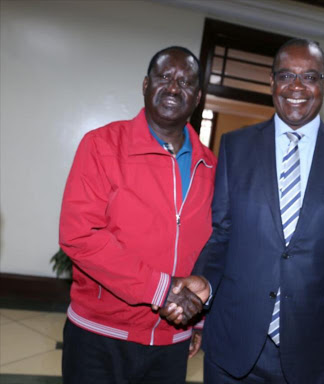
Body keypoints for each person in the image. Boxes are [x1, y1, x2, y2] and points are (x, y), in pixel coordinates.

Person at [172, 38, 324, 384]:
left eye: (310, 77)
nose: (297, 87)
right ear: (271, 82)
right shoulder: (235, 147)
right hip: (233, 343)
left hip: (313, 348)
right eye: (286, 75)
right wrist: (205, 283)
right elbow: (222, 233)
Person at [59, 46, 216, 384]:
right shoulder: (102, 145)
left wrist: (198, 318)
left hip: (172, 342)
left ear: (198, 96)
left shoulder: (211, 166)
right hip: (100, 337)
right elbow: (80, 235)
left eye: (186, 82)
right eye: (164, 77)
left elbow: (212, 245)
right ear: (145, 85)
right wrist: (161, 289)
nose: (174, 88)